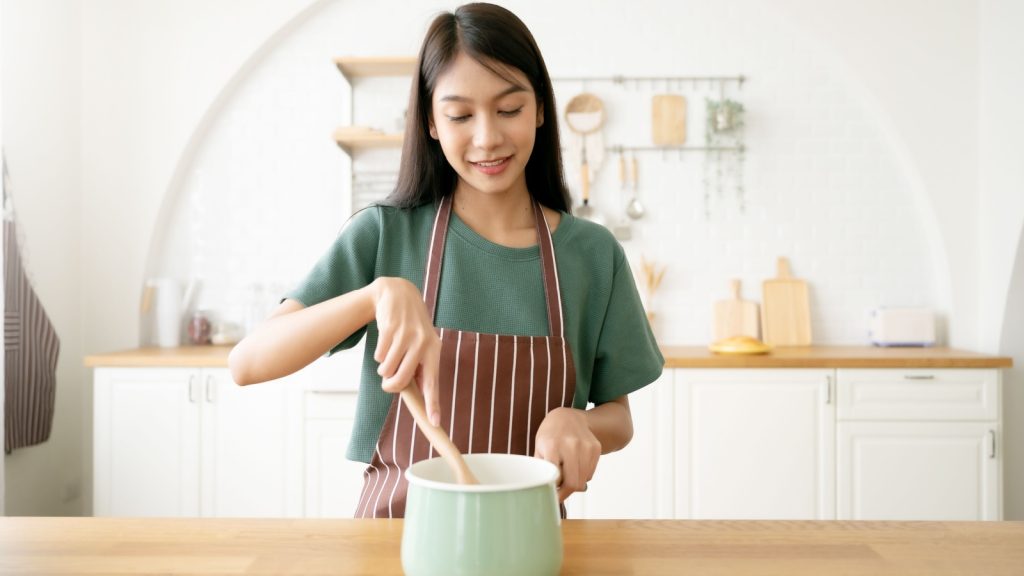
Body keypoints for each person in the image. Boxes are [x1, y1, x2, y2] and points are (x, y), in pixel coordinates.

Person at [228, 2, 663, 519]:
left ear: (541, 109)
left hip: (529, 538)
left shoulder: (592, 254)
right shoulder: (385, 234)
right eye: (460, 115)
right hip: (394, 539)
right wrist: (375, 295)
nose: (487, 137)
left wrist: (580, 423)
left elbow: (619, 418)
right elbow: (248, 362)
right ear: (431, 123)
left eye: (509, 109)